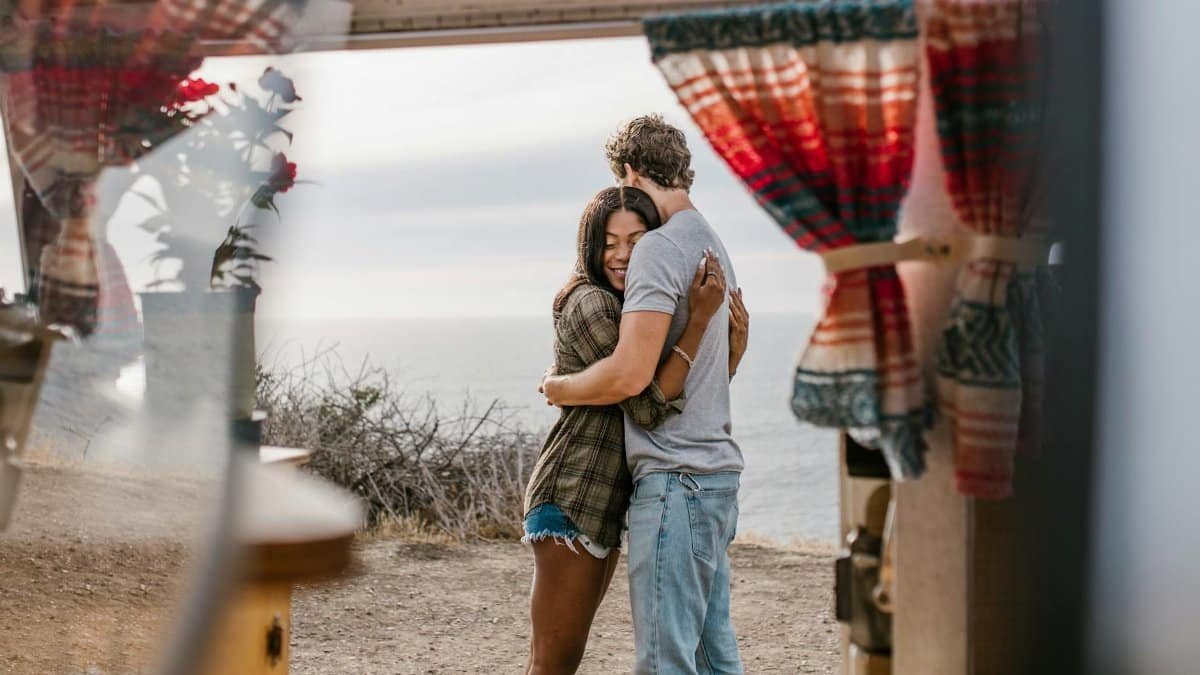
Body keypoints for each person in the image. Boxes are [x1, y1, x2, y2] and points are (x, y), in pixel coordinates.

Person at [542, 114, 747, 674]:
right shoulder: (712, 242)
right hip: (716, 475)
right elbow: (712, 368)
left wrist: (559, 387)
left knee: (664, 662)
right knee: (712, 658)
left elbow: (630, 377)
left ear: (630, 175)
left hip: (677, 477)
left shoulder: (659, 247)